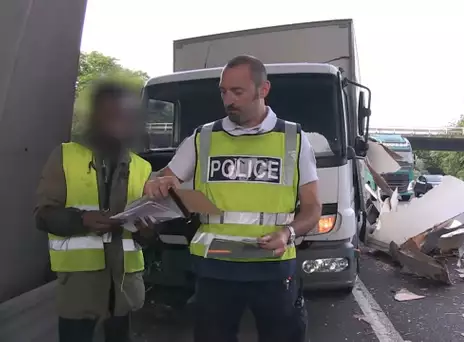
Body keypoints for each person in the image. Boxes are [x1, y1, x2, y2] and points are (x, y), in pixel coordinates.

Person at [143, 55, 322, 342]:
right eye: (223, 92)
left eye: (237, 92)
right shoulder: (203, 138)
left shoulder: (295, 140)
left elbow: (313, 208)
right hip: (215, 267)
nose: (228, 100)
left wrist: (287, 232)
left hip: (271, 266)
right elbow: (163, 179)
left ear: (263, 90)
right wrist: (159, 183)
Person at [34, 80, 155, 342]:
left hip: (124, 292)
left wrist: (148, 230)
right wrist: (82, 219)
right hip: (79, 292)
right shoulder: (65, 156)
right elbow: (43, 215)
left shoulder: (142, 167)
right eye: (108, 115)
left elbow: (150, 232)